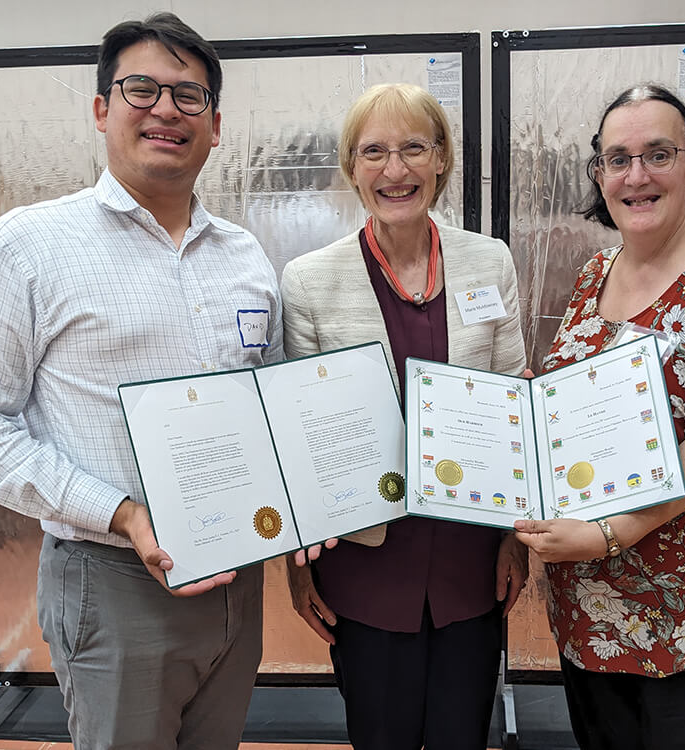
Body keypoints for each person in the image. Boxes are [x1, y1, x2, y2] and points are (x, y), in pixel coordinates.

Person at [0, 13, 282, 750]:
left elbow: (266, 402)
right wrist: (123, 513)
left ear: (215, 125)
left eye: (189, 96)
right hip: (114, 584)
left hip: (237, 577)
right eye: (142, 88)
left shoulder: (246, 256)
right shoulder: (28, 248)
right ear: (101, 109)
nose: (165, 109)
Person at [514, 84, 685, 750]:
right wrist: (530, 412)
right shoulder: (595, 275)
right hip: (596, 617)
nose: (636, 175)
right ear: (599, 175)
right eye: (618, 159)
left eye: (657, 154)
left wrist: (606, 535)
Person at [281, 83, 528, 750]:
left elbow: (513, 405)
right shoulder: (310, 281)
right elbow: (299, 438)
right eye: (374, 152)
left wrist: (515, 538)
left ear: (442, 158)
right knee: (381, 735)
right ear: (351, 168)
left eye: (414, 148)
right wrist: (296, 566)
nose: (395, 170)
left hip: (471, 562)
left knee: (460, 736)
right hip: (364, 570)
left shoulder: (489, 260)